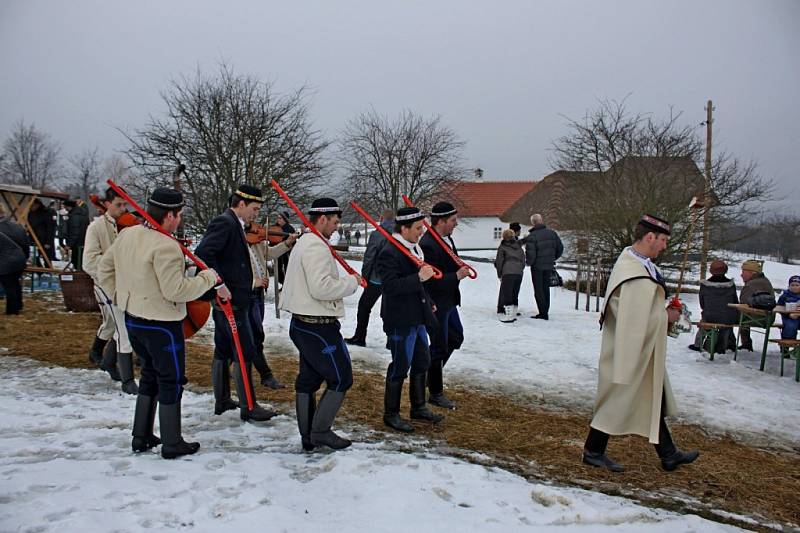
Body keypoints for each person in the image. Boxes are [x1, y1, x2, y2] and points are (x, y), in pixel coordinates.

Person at [97, 187, 220, 459]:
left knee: (150, 376)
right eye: (179, 215)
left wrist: (120, 296)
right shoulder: (167, 246)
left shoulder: (128, 235)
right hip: (162, 325)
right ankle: (172, 441)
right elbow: (175, 291)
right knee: (171, 379)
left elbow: (104, 269)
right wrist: (208, 279)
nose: (180, 220)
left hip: (134, 320)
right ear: (170, 215)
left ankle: (141, 436)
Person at [583, 214, 699, 473]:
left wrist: (663, 308)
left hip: (639, 346)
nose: (665, 246)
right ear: (649, 237)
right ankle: (592, 452)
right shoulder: (633, 273)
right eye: (663, 240)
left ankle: (668, 454)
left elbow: (642, 309)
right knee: (617, 399)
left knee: (648, 396)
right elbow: (633, 319)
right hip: (628, 347)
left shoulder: (641, 266)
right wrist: (664, 316)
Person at [280, 198, 361, 451]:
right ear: (322, 219)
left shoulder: (307, 241)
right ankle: (320, 431)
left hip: (305, 323)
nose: (337, 227)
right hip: (317, 326)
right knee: (341, 377)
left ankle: (308, 436)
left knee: (308, 379)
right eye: (335, 222)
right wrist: (352, 282)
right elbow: (321, 287)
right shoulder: (315, 246)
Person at [195, 185, 277, 422]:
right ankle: (249, 406)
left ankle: (222, 400)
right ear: (240, 204)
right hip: (232, 301)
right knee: (245, 351)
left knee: (222, 349)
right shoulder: (225, 223)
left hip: (229, 299)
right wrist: (219, 284)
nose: (256, 215)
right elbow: (203, 254)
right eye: (254, 208)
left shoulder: (234, 224)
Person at [377, 207, 443, 432]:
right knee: (400, 365)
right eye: (417, 228)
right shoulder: (390, 251)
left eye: (422, 227)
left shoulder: (414, 248)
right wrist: (418, 278)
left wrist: (427, 298)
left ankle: (419, 407)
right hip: (400, 319)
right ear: (403, 228)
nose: (422, 231)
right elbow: (390, 286)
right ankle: (391, 413)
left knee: (422, 361)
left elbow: (418, 284)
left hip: (417, 315)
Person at [83, 187, 138, 394]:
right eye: (118, 205)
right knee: (122, 325)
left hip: (128, 283)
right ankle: (127, 379)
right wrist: (112, 268)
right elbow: (88, 262)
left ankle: (106, 359)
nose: (123, 209)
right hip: (106, 283)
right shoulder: (96, 227)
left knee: (114, 323)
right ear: (107, 204)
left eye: (125, 205)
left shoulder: (129, 226)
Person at [419, 201, 471, 409]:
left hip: (449, 301)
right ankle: (435, 391)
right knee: (439, 346)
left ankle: (427, 377)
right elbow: (430, 279)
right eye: (452, 221)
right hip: (437, 303)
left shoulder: (446, 239)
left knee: (455, 337)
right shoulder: (428, 244)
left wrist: (459, 268)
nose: (455, 224)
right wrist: (455, 276)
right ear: (440, 221)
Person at [247, 219, 297, 388]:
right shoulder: (234, 241)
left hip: (258, 294)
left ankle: (229, 368)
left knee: (249, 336)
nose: (256, 227)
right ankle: (266, 375)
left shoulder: (256, 243)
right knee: (255, 337)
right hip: (247, 294)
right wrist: (253, 282)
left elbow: (269, 253)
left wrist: (288, 243)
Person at [345, 208, 394, 347]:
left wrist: (365, 276)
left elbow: (369, 257)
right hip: (393, 278)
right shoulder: (399, 232)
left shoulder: (377, 234)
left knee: (364, 306)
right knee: (389, 308)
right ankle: (392, 340)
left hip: (376, 278)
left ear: (381, 217)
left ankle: (360, 337)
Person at [688, 259, 739, 353]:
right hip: (728, 318)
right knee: (728, 316)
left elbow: (702, 303)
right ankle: (728, 344)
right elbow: (735, 302)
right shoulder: (731, 285)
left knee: (705, 317)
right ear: (725, 270)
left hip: (710, 317)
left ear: (711, 271)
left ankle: (698, 344)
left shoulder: (705, 285)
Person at [523, 214, 563, 320]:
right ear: (541, 221)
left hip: (537, 266)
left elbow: (531, 254)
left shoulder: (532, 236)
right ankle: (545, 311)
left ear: (533, 223)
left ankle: (543, 312)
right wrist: (552, 258)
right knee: (546, 288)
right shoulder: (552, 234)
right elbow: (560, 248)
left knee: (538, 289)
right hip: (549, 265)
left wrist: (529, 263)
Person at [737, 259, 775, 351]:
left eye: (743, 272)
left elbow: (743, 304)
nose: (741, 274)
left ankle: (743, 343)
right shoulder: (766, 281)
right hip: (769, 318)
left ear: (752, 273)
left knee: (730, 317)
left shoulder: (750, 285)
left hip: (756, 319)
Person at [0, 206, 30, 315]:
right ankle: (18, 306)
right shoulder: (16, 226)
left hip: (8, 262)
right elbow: (26, 244)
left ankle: (12, 311)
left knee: (9, 286)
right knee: (15, 284)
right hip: (19, 259)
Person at [494, 228, 525, 322]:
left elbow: (499, 262)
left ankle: (509, 316)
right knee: (515, 293)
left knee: (507, 294)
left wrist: (500, 274)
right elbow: (523, 260)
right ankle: (514, 313)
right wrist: (520, 269)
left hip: (508, 272)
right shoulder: (519, 246)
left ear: (504, 237)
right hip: (519, 272)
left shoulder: (503, 246)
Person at [27, 198, 57, 264]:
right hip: (33, 238)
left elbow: (50, 228)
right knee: (36, 255)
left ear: (37, 205)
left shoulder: (46, 213)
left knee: (46, 256)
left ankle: (48, 268)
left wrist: (48, 242)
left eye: (33, 205)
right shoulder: (30, 213)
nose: (31, 207)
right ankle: (38, 268)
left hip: (44, 238)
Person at [64, 199, 90, 271]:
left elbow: (75, 231)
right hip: (83, 242)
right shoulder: (82, 213)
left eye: (65, 206)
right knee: (80, 263)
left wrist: (69, 244)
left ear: (69, 206)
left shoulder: (75, 216)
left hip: (77, 244)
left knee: (77, 263)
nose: (65, 208)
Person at [274, 212, 295, 286]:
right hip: (277, 252)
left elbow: (293, 242)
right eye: (278, 218)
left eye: (280, 218)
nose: (278, 220)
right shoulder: (275, 227)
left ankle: (287, 286)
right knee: (278, 271)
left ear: (285, 219)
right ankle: (284, 284)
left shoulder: (290, 228)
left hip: (287, 253)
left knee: (287, 270)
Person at [777, 275, 800, 341]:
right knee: (790, 327)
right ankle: (786, 344)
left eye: (797, 285)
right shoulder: (785, 296)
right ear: (789, 286)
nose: (794, 287)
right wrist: (788, 314)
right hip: (788, 317)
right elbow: (779, 308)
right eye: (792, 285)